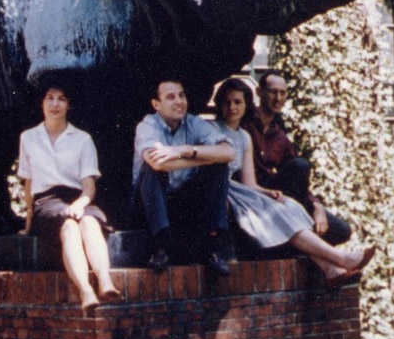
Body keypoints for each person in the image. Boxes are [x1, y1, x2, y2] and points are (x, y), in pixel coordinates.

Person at [212, 79, 374, 288]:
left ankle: (330, 269)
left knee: (293, 207)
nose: (232, 108)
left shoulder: (249, 137)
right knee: (285, 209)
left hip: (251, 192)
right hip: (227, 191)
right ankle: (340, 259)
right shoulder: (215, 128)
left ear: (245, 105)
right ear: (260, 94)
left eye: (237, 102)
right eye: (227, 102)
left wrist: (274, 193)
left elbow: (250, 182)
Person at [17, 85, 121, 311]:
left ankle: (105, 281)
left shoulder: (82, 139)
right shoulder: (28, 138)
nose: (55, 104)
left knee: (89, 222)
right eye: (50, 98)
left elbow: (89, 187)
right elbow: (28, 184)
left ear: (68, 105)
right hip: (46, 201)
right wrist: (28, 223)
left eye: (61, 99)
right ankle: (85, 290)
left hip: (78, 197)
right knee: (69, 228)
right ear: (42, 103)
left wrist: (80, 204)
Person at [132, 79, 235, 276]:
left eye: (182, 95)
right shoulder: (147, 125)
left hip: (183, 202)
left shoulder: (194, 122)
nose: (179, 101)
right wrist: (205, 158)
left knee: (219, 167)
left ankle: (211, 248)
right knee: (152, 170)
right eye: (171, 97)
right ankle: (160, 248)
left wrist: (184, 150)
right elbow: (158, 163)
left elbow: (229, 152)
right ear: (156, 104)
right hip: (148, 206)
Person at [245, 70, 352, 247]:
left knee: (341, 230)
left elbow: (298, 178)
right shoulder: (245, 123)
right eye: (272, 91)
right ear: (259, 92)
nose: (278, 98)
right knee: (301, 165)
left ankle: (292, 242)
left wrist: (317, 206)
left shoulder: (280, 135)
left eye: (282, 93)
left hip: (280, 197)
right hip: (255, 194)